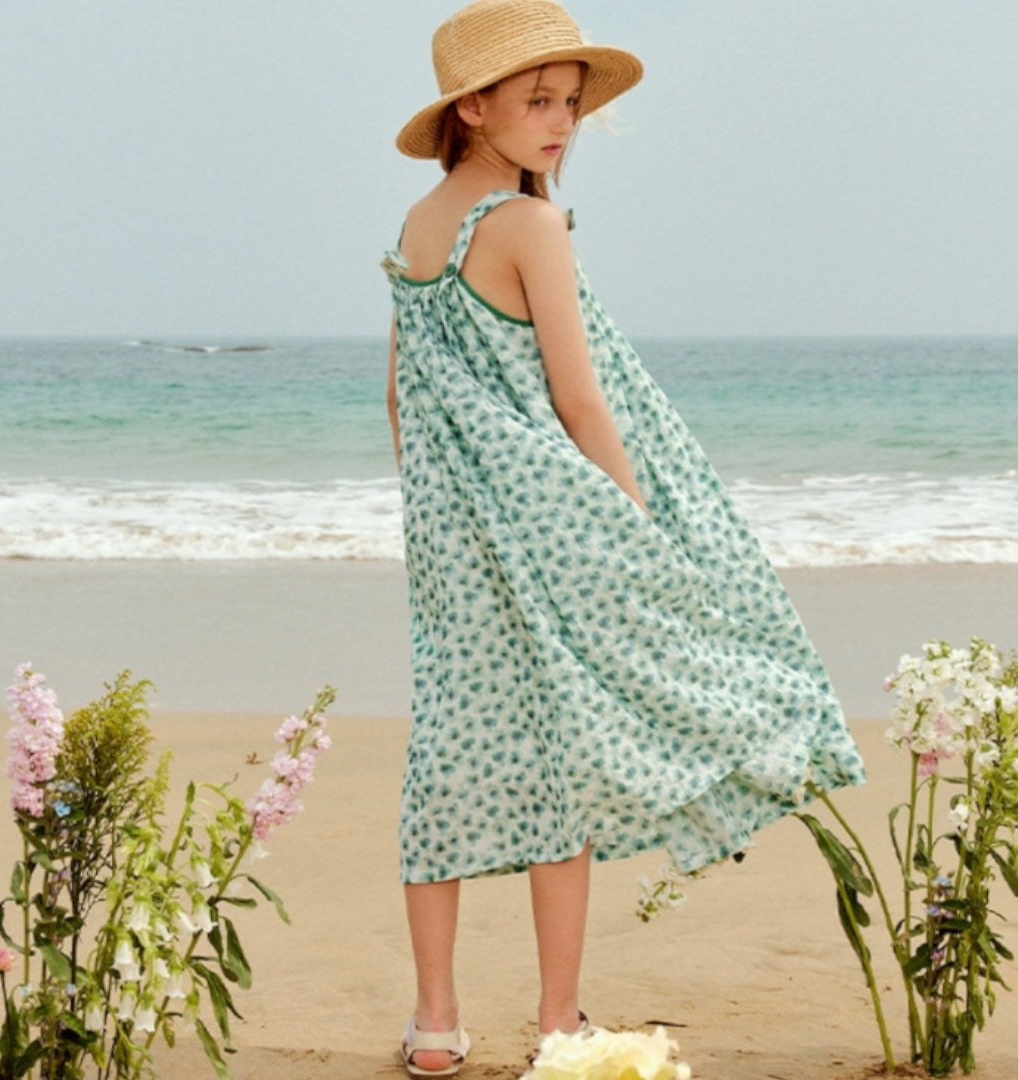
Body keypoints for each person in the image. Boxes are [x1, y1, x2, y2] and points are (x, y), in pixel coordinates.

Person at [382, 1, 866, 1074]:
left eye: (570, 104)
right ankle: (557, 1022)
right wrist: (638, 522)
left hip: (455, 526)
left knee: (451, 753)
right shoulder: (529, 224)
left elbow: (401, 395)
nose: (562, 124)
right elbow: (582, 400)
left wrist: (437, 508)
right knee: (575, 750)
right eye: (538, 103)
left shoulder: (419, 227)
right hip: (562, 520)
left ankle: (435, 1025)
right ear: (473, 106)